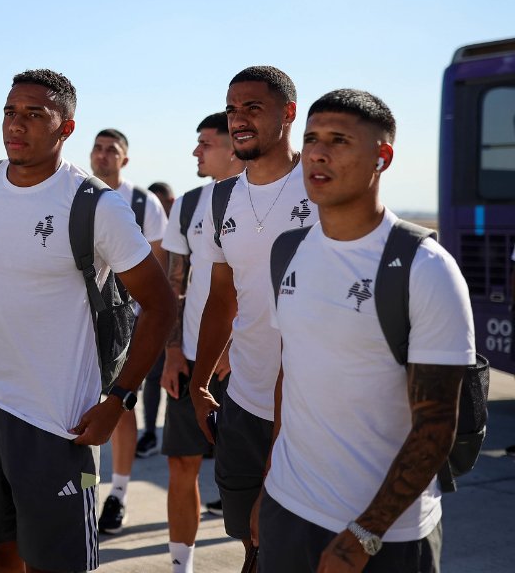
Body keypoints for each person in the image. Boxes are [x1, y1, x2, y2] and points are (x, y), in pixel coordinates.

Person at [0, 69, 176, 572]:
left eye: (33, 114)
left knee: (60, 562)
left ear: (65, 127)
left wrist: (119, 399)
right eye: (9, 112)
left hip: (59, 421)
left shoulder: (96, 205)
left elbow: (160, 305)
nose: (16, 125)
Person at [258, 89, 473, 572]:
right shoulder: (287, 251)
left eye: (339, 140)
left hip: (384, 535)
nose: (318, 151)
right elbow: (292, 374)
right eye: (311, 138)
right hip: (287, 510)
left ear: (383, 156)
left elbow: (437, 424)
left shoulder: (425, 267)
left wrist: (364, 534)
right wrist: (269, 486)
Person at [189, 65, 318, 568]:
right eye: (232, 109)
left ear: (288, 113)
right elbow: (223, 297)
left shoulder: (320, 186)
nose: (238, 119)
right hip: (244, 403)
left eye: (253, 108)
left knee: (297, 548)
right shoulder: (222, 197)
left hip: (312, 410)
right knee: (250, 542)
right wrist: (202, 381)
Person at [159, 112, 244, 573]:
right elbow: (174, 284)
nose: (196, 152)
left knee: (248, 476)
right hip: (192, 360)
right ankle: (180, 566)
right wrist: (173, 351)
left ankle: (257, 557)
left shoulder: (264, 201)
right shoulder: (189, 205)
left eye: (205, 144)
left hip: (248, 365)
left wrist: (236, 347)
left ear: (233, 148)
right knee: (180, 465)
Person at [89, 128, 169, 534]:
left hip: (127, 322)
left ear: (125, 159)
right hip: (81, 320)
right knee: (80, 406)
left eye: (112, 150)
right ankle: (86, 490)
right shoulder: (75, 193)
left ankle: (117, 493)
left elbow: (159, 269)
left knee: (121, 407)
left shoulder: (144, 203)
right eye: (98, 149)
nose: (103, 156)